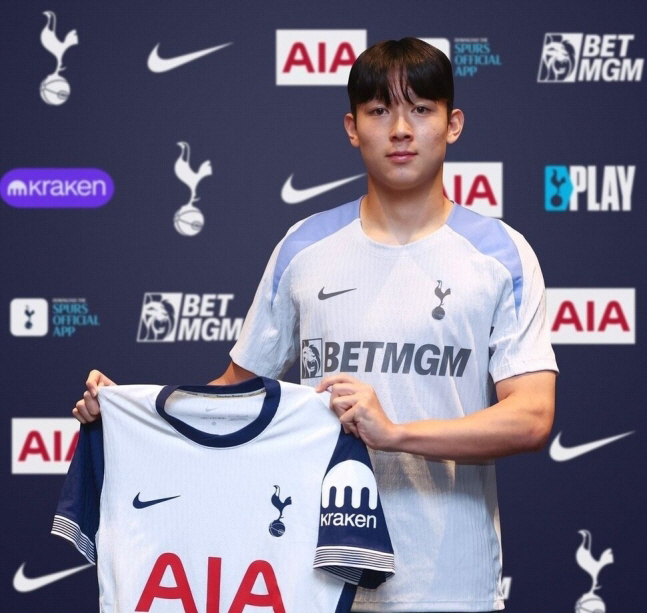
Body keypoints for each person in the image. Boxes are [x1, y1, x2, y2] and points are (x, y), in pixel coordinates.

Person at [74, 38, 557, 613]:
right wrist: (130, 414)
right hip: (313, 581)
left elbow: (531, 417)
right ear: (352, 127)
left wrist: (395, 433)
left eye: (421, 109)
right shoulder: (305, 248)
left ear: (452, 124)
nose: (400, 129)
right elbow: (233, 394)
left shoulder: (501, 254)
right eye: (379, 111)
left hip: (450, 583)